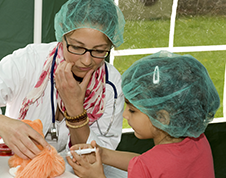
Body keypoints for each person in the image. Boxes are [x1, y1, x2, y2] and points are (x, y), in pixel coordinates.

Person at [0, 0, 126, 177]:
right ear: (62, 35)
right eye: (76, 47)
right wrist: (2, 124)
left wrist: (75, 108)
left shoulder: (111, 85)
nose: (86, 60)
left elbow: (97, 155)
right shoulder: (30, 60)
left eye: (99, 51)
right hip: (20, 168)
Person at [67, 50, 220, 178]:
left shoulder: (152, 165)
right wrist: (103, 154)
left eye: (132, 110)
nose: (125, 115)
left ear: (162, 118)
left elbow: (148, 165)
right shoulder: (198, 142)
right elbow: (144, 163)